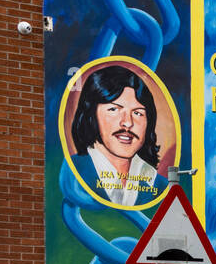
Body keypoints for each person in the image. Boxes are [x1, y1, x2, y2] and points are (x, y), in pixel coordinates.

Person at [68, 65, 174, 207]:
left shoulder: (160, 186)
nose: (128, 123)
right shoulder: (73, 173)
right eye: (114, 109)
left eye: (138, 113)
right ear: (91, 114)